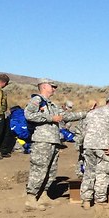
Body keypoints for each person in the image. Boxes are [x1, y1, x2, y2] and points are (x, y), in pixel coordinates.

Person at [23, 78, 91, 209]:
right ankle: (31, 198)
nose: (54, 89)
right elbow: (28, 114)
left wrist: (87, 113)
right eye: (52, 86)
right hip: (42, 141)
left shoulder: (51, 104)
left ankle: (43, 195)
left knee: (50, 170)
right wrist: (50, 118)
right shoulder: (36, 100)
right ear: (43, 86)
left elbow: (66, 116)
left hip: (53, 141)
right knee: (39, 169)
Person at [79, 96, 109, 207]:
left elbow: (83, 129)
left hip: (88, 145)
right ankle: (100, 200)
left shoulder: (92, 113)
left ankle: (86, 199)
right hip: (103, 147)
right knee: (103, 173)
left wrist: (83, 144)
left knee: (89, 172)